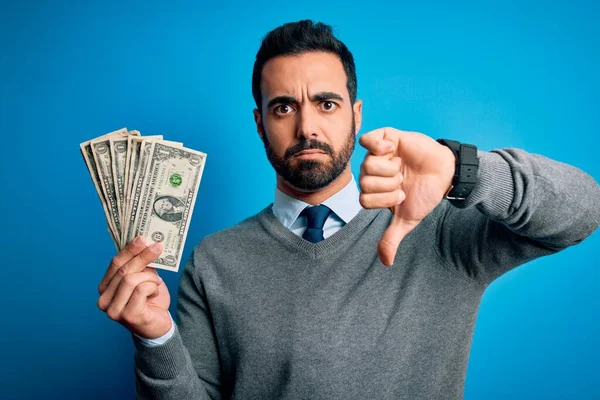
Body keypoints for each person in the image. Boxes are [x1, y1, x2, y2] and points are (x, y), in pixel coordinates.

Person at [96, 20, 600, 399]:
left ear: (356, 114)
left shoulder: (435, 228)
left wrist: (459, 169)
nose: (307, 127)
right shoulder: (214, 261)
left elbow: (583, 209)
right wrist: (156, 338)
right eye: (284, 107)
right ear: (259, 123)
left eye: (327, 103)